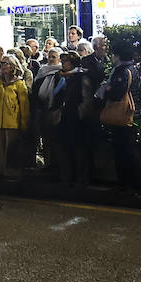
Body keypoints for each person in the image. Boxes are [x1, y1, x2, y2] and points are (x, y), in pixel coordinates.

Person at [101, 39, 141, 194]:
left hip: (122, 113)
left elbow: (117, 93)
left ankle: (128, 184)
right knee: (129, 150)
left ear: (117, 55)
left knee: (124, 151)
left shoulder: (121, 71)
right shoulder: (133, 68)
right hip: (131, 112)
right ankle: (134, 184)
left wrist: (106, 90)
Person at [53, 51, 89, 188]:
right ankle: (66, 177)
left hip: (75, 119)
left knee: (78, 150)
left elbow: (86, 99)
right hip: (63, 117)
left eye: (65, 61)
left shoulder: (80, 76)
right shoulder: (61, 77)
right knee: (64, 148)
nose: (62, 64)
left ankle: (80, 178)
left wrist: (80, 113)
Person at [0, 60, 30, 178]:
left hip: (13, 121)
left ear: (13, 66)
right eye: (1, 64)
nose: (2, 66)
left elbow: (24, 105)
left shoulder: (19, 83)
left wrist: (24, 122)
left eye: (5, 63)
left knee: (12, 148)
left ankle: (12, 171)